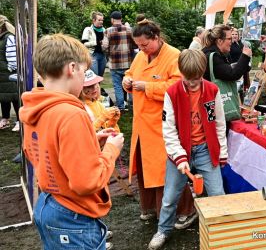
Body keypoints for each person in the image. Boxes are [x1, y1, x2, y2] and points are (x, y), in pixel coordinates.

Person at [19, 33, 124, 250]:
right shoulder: (72, 114)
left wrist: (90, 141)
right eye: (83, 72)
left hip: (48, 204)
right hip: (73, 215)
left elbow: (36, 151)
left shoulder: (34, 107)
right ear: (72, 68)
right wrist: (111, 151)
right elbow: (87, 182)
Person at [148, 49, 227, 250]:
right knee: (170, 196)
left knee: (217, 193)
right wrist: (180, 157)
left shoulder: (211, 91)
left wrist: (222, 151)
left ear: (202, 74)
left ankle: (220, 230)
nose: (192, 83)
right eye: (188, 78)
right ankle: (163, 230)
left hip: (205, 150)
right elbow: (168, 129)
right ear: (180, 72)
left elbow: (219, 122)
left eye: (197, 78)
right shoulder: (172, 93)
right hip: (180, 152)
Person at [122, 18, 196, 226]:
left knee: (167, 170)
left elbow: (178, 86)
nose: (142, 49)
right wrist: (126, 81)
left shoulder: (174, 56)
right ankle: (152, 208)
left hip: (162, 125)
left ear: (156, 37)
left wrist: (147, 87)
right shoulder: (141, 56)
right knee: (146, 169)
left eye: (145, 44)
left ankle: (185, 209)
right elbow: (130, 73)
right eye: (138, 46)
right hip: (141, 124)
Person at [106, 11, 136, 111]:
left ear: (112, 19)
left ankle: (121, 107)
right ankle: (132, 105)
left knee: (117, 86)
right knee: (130, 84)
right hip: (128, 63)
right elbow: (135, 44)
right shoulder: (129, 30)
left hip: (114, 64)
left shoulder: (108, 31)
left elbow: (104, 47)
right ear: (121, 19)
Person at [0, 15, 20, 131]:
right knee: (3, 97)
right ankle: (5, 119)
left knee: (14, 97)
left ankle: (19, 120)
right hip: (2, 73)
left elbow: (13, 56)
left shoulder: (9, 37)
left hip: (9, 72)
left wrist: (10, 69)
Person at [82, 11, 108, 77]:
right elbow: (84, 44)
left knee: (100, 76)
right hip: (92, 55)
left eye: (102, 20)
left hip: (103, 55)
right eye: (99, 20)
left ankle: (98, 87)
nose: (101, 22)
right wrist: (96, 42)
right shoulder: (88, 29)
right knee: (95, 76)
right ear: (94, 20)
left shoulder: (104, 30)